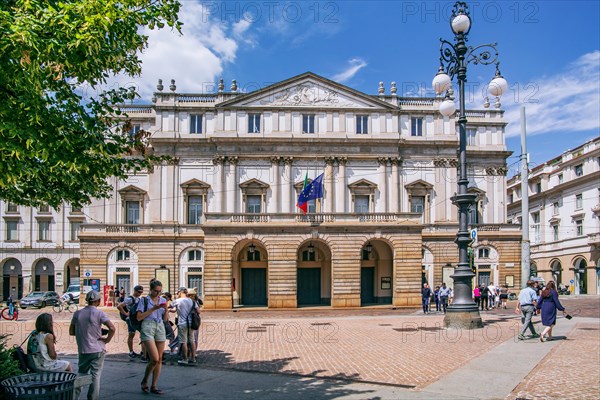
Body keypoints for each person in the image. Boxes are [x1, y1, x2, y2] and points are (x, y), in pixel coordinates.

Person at [70, 290, 115, 400]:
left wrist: (85, 331)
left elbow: (71, 331)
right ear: (98, 301)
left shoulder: (78, 313)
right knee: (95, 375)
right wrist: (107, 339)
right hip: (97, 349)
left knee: (81, 374)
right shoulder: (100, 313)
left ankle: (74, 396)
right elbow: (112, 328)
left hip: (83, 349)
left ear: (87, 300)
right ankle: (92, 398)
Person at [137, 279, 168, 395]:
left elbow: (165, 319)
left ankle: (154, 385)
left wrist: (165, 310)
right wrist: (153, 309)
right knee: (154, 358)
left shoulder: (163, 300)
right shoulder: (144, 300)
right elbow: (139, 317)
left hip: (160, 326)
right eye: (155, 291)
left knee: (159, 359)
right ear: (150, 290)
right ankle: (144, 380)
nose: (158, 294)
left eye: (159, 291)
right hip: (148, 326)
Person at [117, 285, 144, 358]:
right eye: (138, 292)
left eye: (141, 292)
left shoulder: (138, 299)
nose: (140, 293)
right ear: (134, 291)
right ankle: (131, 352)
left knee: (142, 333)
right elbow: (119, 306)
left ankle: (143, 351)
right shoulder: (129, 299)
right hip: (130, 319)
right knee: (131, 335)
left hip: (136, 319)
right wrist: (126, 314)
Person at [169, 287, 195, 364]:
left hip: (182, 323)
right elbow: (198, 311)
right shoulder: (192, 301)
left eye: (178, 293)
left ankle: (185, 359)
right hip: (191, 323)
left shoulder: (177, 301)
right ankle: (193, 358)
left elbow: (169, 306)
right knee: (191, 340)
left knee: (183, 341)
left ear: (180, 292)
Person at [186, 288, 202, 363]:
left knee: (187, 339)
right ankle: (193, 354)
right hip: (194, 322)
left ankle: (188, 354)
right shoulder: (195, 302)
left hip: (185, 322)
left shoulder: (184, 301)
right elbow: (199, 312)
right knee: (194, 338)